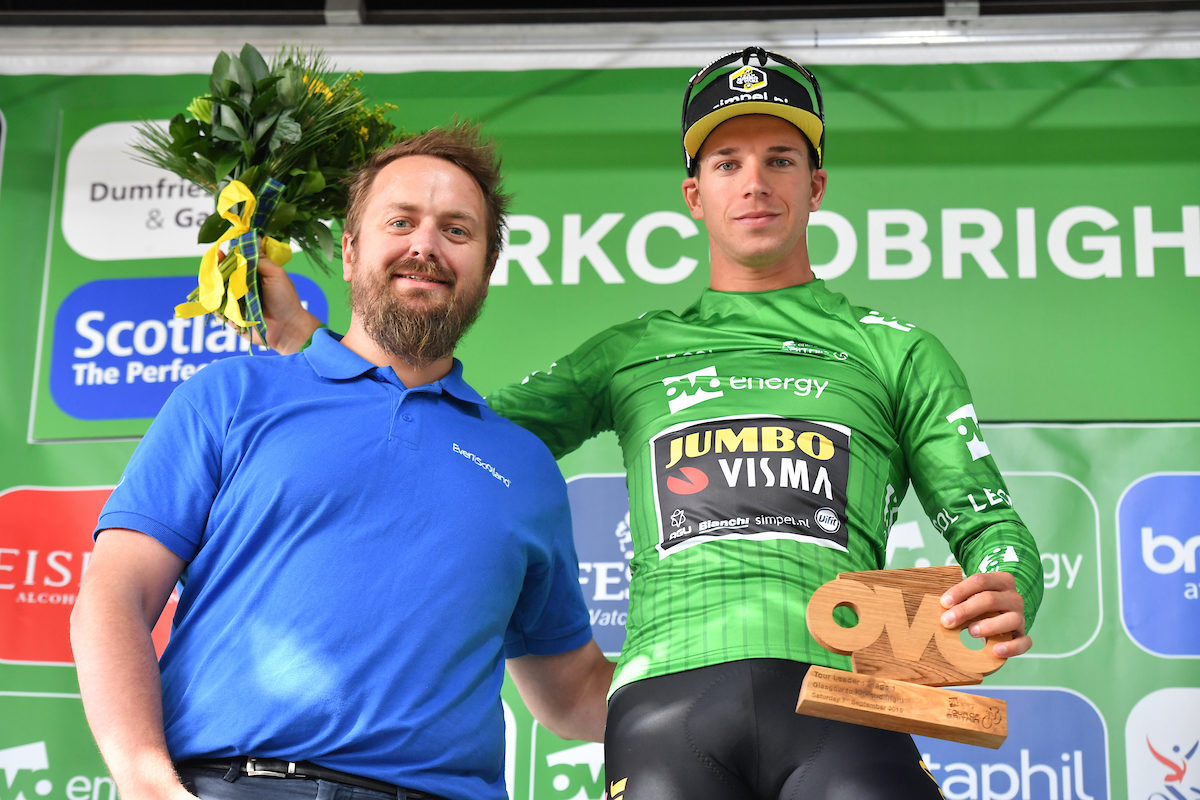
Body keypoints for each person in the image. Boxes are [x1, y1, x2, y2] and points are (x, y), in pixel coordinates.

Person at [256, 48, 1044, 799]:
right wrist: (318, 352)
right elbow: (460, 434)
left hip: (844, 700)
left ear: (817, 183)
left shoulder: (896, 351)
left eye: (780, 159)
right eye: (727, 163)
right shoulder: (633, 352)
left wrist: (1010, 584)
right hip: (667, 706)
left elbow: (989, 525)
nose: (755, 184)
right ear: (694, 194)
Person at [70, 122, 614, 800]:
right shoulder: (232, 397)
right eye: (401, 221)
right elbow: (115, 595)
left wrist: (735, 696)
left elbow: (574, 694)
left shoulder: (525, 466)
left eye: (456, 230)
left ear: (484, 269)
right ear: (351, 251)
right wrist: (146, 781)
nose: (425, 245)